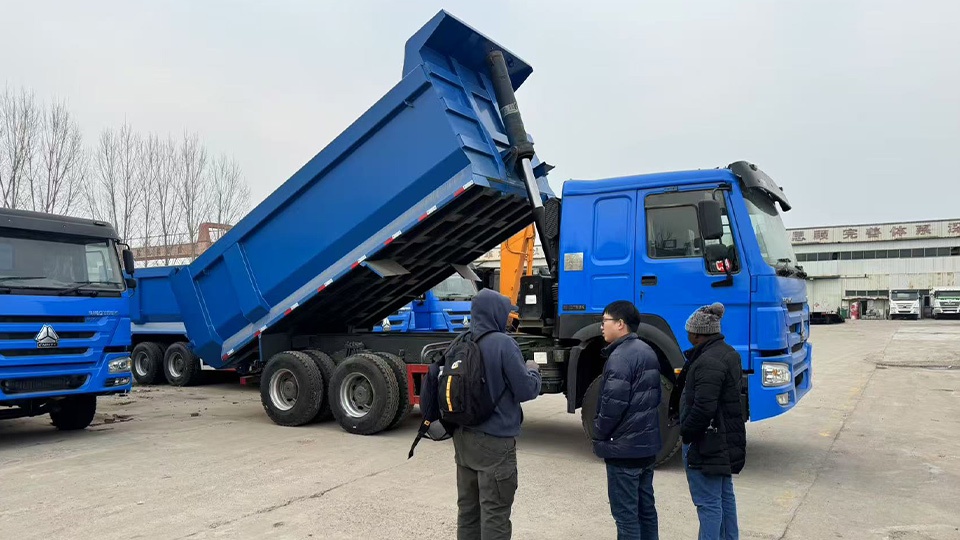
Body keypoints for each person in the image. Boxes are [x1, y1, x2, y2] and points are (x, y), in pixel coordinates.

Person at [454, 288, 542, 540]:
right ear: (495, 313)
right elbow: (525, 390)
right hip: (495, 442)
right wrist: (533, 370)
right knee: (495, 512)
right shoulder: (504, 344)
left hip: (463, 439)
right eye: (504, 313)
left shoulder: (461, 341)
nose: (507, 318)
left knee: (468, 510)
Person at [592, 300, 662, 540]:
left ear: (620, 324)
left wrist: (598, 431)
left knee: (626, 516)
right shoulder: (646, 350)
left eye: (605, 321)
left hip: (624, 451)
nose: (601, 327)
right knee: (646, 511)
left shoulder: (620, 357)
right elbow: (656, 397)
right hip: (645, 448)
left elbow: (613, 405)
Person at [677, 303, 746, 540]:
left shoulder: (708, 361)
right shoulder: (728, 353)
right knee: (724, 498)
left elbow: (703, 407)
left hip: (706, 443)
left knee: (707, 503)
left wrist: (686, 433)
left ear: (697, 334)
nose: (686, 333)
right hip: (722, 438)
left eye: (688, 330)